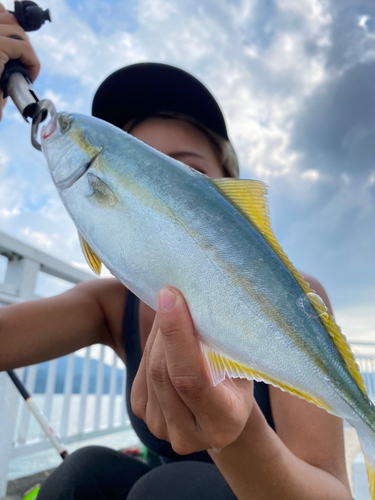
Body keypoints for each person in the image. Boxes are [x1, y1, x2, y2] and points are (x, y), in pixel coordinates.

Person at [0, 5, 352, 499]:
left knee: (169, 487)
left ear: (235, 201)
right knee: (85, 475)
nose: (153, 198)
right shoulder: (109, 305)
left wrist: (239, 436)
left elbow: (335, 492)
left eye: (184, 177)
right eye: (137, 173)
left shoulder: (297, 295)